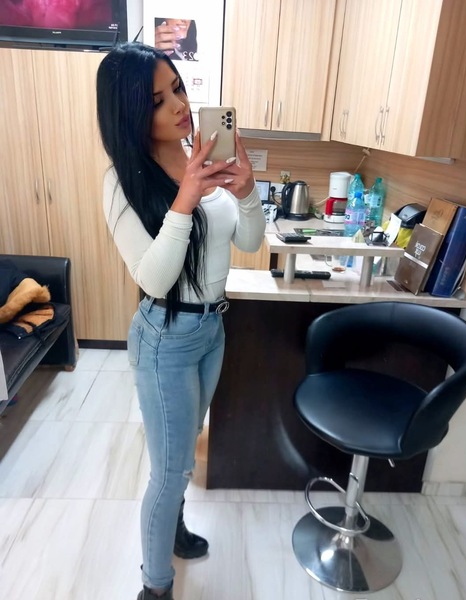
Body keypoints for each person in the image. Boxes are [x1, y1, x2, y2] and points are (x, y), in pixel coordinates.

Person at [96, 42, 266, 600]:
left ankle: (173, 526)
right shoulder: (122, 182)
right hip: (164, 338)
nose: (179, 105)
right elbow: (153, 278)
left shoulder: (201, 157)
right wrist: (186, 198)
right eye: (156, 101)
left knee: (185, 446)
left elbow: (248, 241)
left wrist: (246, 193)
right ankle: (155, 586)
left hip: (212, 330)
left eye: (178, 88)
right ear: (128, 114)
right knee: (169, 471)